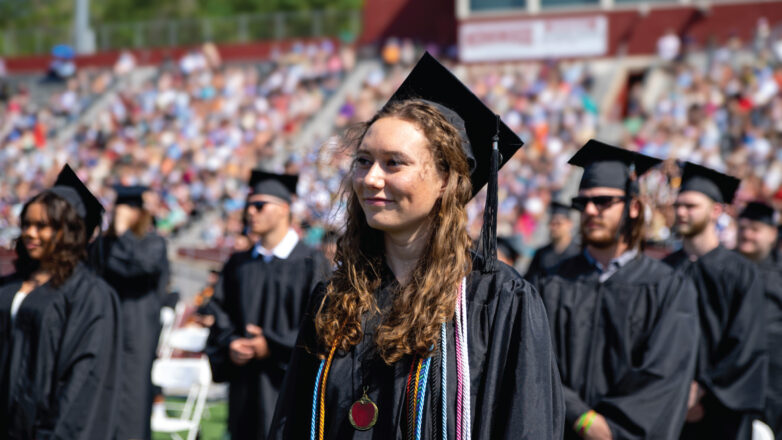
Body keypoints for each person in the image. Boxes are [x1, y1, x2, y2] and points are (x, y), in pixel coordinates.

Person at [270, 52, 563, 440]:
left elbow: (527, 425)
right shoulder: (335, 297)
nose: (371, 179)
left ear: (446, 180)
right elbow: (291, 421)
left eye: (394, 163)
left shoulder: (496, 301)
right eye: (363, 161)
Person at [535, 140, 699, 439]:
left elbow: (665, 373)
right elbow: (534, 359)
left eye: (603, 201)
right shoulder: (552, 283)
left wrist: (611, 429)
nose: (590, 210)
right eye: (583, 202)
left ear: (634, 207)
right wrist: (582, 418)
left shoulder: (667, 287)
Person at [206, 170, 331, 440]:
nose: (251, 211)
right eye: (249, 205)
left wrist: (271, 345)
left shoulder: (311, 264)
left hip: (287, 386)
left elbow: (320, 327)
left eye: (260, 205)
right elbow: (219, 311)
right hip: (244, 389)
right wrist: (230, 343)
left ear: (284, 208)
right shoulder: (238, 264)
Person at [0, 164, 121, 439]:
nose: (30, 233)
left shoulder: (90, 295)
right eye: (27, 224)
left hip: (48, 429)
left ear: (68, 231)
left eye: (42, 226)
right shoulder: (10, 286)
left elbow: (84, 378)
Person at [663, 162, 767, 440]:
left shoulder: (740, 271)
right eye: (679, 205)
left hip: (720, 409)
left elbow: (746, 341)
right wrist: (675, 391)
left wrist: (701, 390)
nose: (682, 212)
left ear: (716, 210)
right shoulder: (664, 270)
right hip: (667, 404)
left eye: (691, 206)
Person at [89, 185, 169, 440]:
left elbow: (140, 267)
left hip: (137, 331)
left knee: (132, 400)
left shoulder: (153, 243)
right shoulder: (102, 245)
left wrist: (123, 233)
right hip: (104, 329)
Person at [735, 201, 782, 437]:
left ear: (772, 234)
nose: (746, 234)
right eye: (742, 228)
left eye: (754, 229)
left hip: (773, 385)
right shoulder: (725, 268)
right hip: (730, 383)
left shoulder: (779, 275)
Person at [524, 201, 579, 281]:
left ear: (569, 224)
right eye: (551, 223)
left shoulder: (578, 253)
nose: (554, 227)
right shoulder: (541, 254)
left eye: (558, 223)